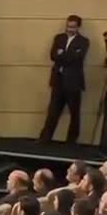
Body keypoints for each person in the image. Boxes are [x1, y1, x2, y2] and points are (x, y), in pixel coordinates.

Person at [39, 15, 90, 144]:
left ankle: (71, 141)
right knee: (53, 112)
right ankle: (45, 138)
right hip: (58, 80)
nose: (69, 29)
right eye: (68, 26)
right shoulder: (59, 38)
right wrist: (65, 55)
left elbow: (77, 58)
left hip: (73, 82)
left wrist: (61, 54)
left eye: (72, 27)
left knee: (74, 113)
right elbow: (52, 55)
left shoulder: (83, 41)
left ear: (78, 27)